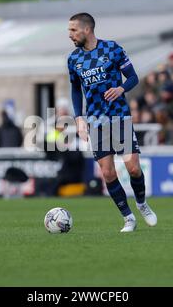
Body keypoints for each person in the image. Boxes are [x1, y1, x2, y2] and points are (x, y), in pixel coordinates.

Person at [67, 12, 157, 232]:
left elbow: (133, 77)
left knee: (133, 168)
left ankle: (142, 204)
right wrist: (79, 118)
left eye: (73, 30)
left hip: (119, 116)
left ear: (87, 29)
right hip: (95, 121)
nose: (70, 35)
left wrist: (121, 89)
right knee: (107, 173)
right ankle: (128, 218)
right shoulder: (73, 59)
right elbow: (75, 91)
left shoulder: (112, 49)